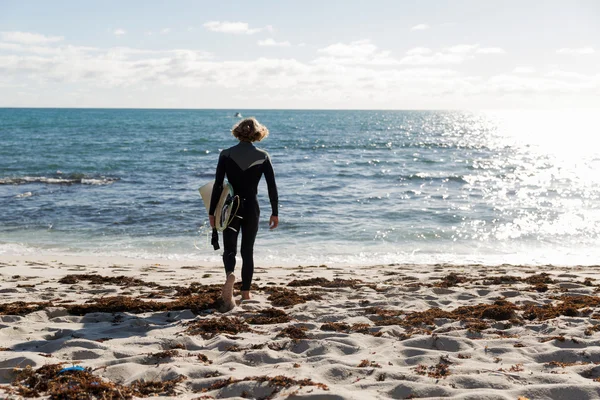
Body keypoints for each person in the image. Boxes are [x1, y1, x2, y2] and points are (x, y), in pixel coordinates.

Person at [209, 117, 279, 311]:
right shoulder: (263, 156)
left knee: (229, 248)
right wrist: (275, 212)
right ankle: (246, 293)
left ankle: (230, 275)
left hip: (230, 208)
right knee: (247, 251)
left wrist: (212, 212)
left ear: (238, 132)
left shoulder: (226, 154)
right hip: (251, 208)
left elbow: (217, 185)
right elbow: (272, 186)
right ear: (258, 133)